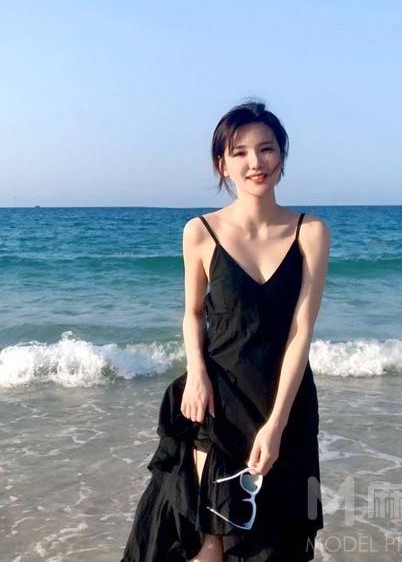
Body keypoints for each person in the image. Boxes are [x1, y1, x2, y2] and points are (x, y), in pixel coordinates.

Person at [121, 101, 329, 561]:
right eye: (240, 152)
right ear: (222, 164)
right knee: (208, 543)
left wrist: (276, 425)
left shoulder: (310, 232)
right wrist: (196, 373)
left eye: (266, 149)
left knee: (279, 543)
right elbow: (193, 313)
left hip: (286, 404)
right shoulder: (200, 232)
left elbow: (301, 333)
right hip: (217, 402)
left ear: (282, 156)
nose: (256, 162)